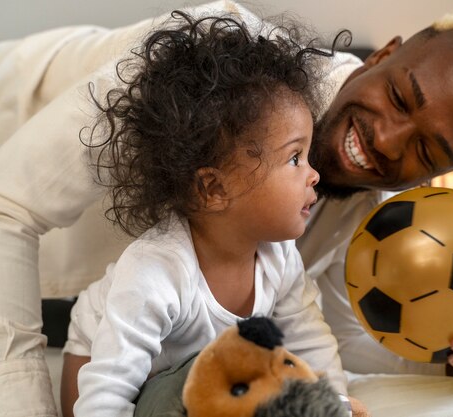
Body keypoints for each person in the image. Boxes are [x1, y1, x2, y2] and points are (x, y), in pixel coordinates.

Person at [0, 1, 453, 416]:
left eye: (425, 149)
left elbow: (322, 331)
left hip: (106, 278)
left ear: (444, 174)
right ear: (383, 54)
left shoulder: (366, 211)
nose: (388, 140)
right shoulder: (194, 63)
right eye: (397, 97)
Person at [53, 10, 353, 417]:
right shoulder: (156, 272)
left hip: (196, 374)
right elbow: (106, 387)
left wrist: (331, 405)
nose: (315, 174)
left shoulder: (278, 258)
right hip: (98, 361)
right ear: (214, 189)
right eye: (295, 158)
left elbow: (309, 341)